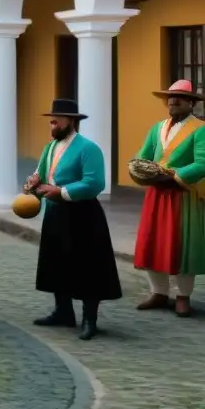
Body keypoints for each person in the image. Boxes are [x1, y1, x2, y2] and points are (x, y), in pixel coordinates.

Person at [25, 98, 122, 341]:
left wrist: (62, 192)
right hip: (56, 213)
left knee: (88, 267)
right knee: (56, 262)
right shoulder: (49, 147)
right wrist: (33, 182)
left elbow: (94, 182)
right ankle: (63, 312)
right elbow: (42, 173)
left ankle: (90, 319)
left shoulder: (88, 148)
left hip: (83, 214)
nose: (52, 124)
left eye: (56, 120)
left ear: (71, 121)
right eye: (51, 120)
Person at [132, 79, 205, 318]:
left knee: (182, 245)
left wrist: (174, 177)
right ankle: (159, 292)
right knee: (152, 242)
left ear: (191, 103)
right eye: (170, 97)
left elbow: (202, 163)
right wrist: (138, 170)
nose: (172, 101)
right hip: (156, 193)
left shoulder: (200, 129)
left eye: (179, 98)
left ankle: (183, 296)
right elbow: (143, 156)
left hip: (182, 193)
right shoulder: (157, 128)